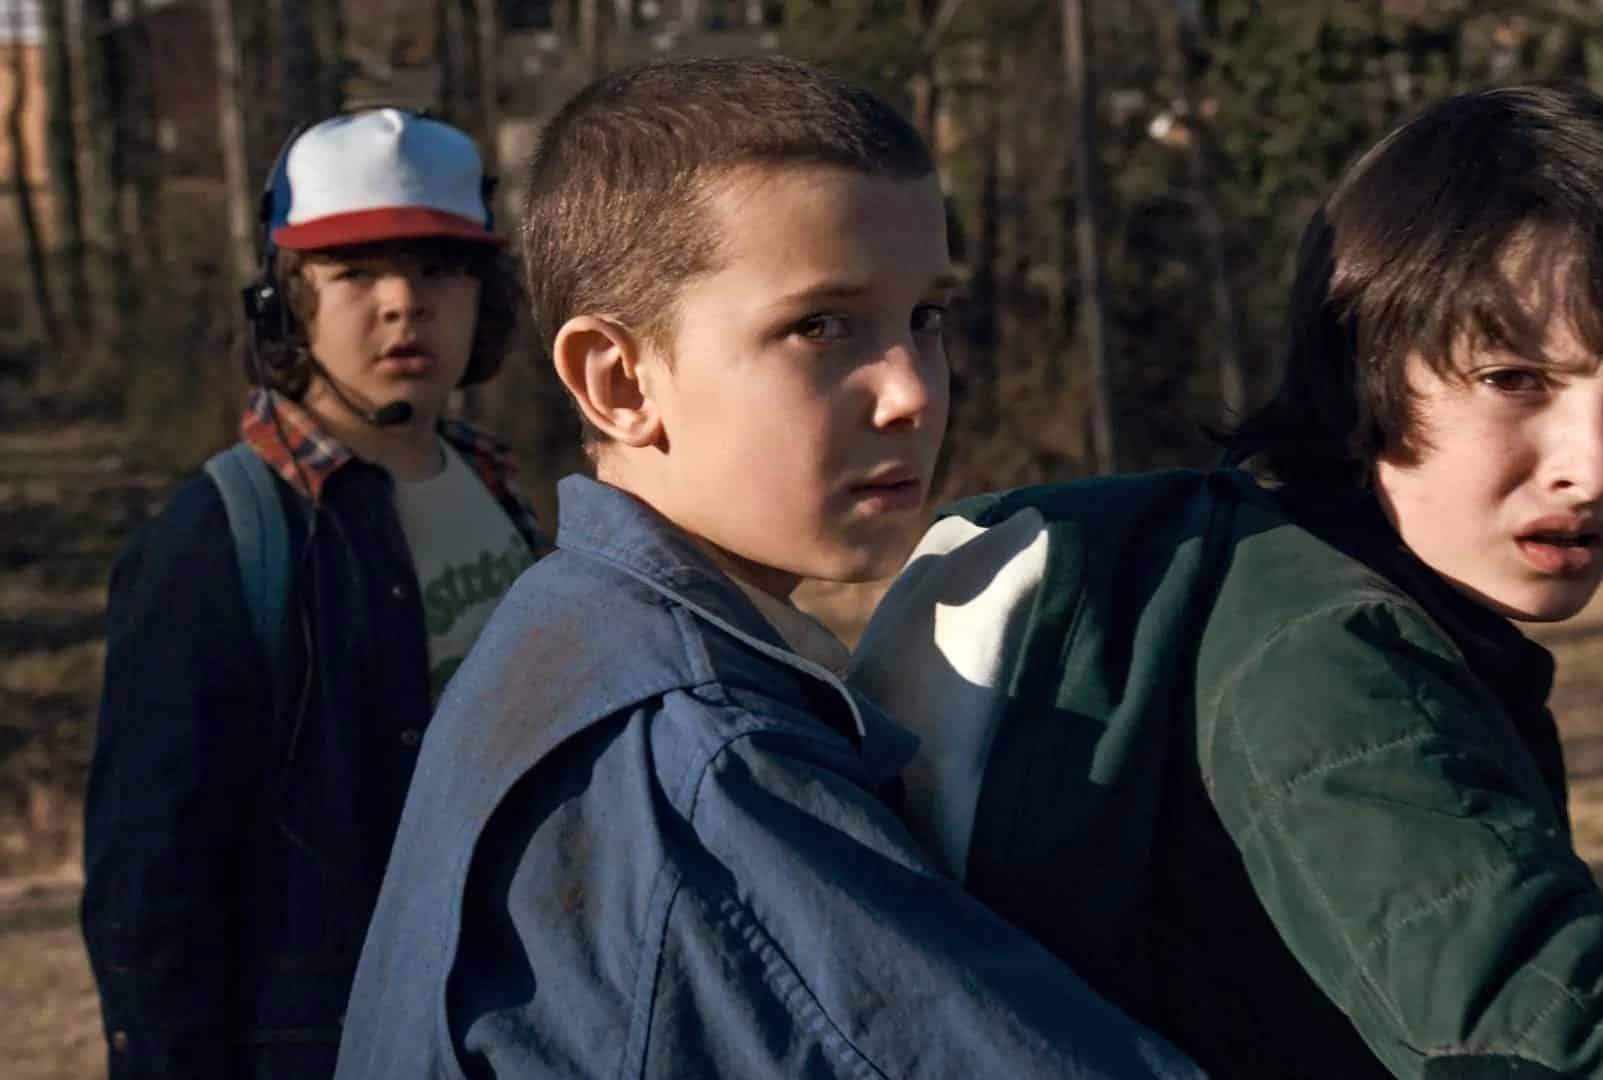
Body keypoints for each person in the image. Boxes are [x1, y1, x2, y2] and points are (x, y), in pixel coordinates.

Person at [850, 84, 1603, 1077]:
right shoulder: (1327, 653)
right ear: (1361, 369)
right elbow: (1564, 1063)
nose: (1592, 467)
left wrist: (1587, 953)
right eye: (1514, 379)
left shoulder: (1275, 582)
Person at [335, 57, 1201, 1078]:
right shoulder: (704, 757)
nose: (914, 392)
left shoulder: (560, 629)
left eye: (926, 318)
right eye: (820, 326)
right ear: (619, 382)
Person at [81, 109, 547, 1079]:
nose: (403, 304)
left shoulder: (501, 494)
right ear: (285, 306)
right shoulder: (219, 539)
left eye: (438, 269)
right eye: (356, 274)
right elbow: (151, 887)